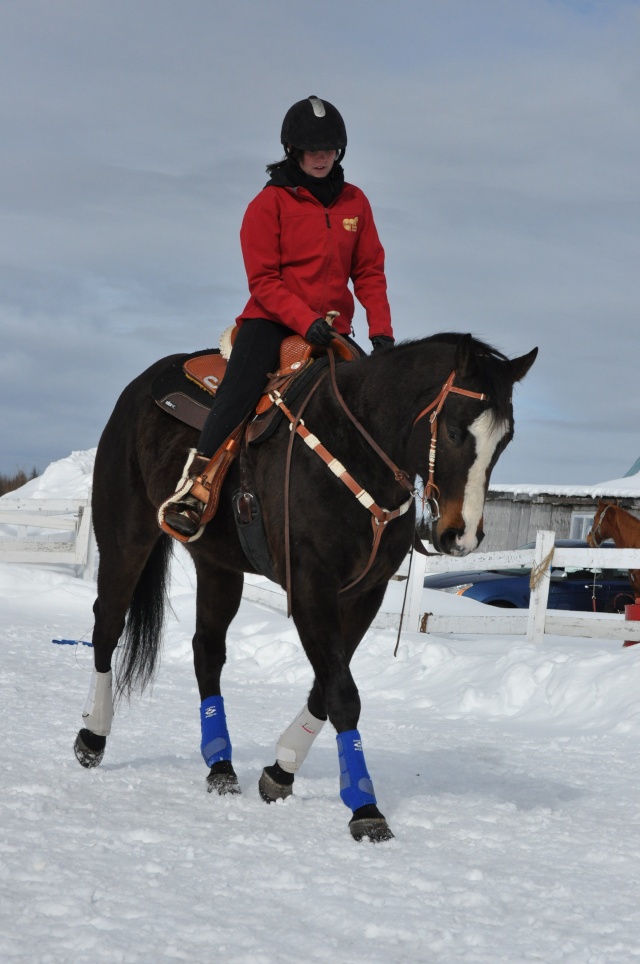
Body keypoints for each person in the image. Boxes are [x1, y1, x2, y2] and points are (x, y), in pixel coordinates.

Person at [159, 95, 395, 542]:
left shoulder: (355, 203)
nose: (322, 157)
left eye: (329, 149)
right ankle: (195, 487)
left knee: (371, 404)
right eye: (312, 150)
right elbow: (263, 281)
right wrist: (304, 321)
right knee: (240, 391)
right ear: (294, 151)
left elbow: (369, 270)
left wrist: (381, 331)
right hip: (272, 321)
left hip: (333, 330)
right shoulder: (268, 205)